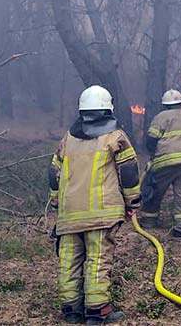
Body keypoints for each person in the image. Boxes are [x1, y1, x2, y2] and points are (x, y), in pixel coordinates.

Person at [49, 85, 140, 324]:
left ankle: (71, 310)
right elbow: (129, 171)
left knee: (69, 261)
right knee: (98, 262)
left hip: (69, 216)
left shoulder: (68, 138)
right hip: (102, 215)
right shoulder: (115, 136)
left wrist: (55, 201)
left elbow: (53, 172)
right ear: (108, 109)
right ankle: (97, 312)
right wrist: (133, 201)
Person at [139, 89, 181, 238]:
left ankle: (148, 220)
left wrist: (153, 154)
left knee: (155, 188)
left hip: (167, 160)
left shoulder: (161, 117)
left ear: (165, 105)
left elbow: (152, 139)